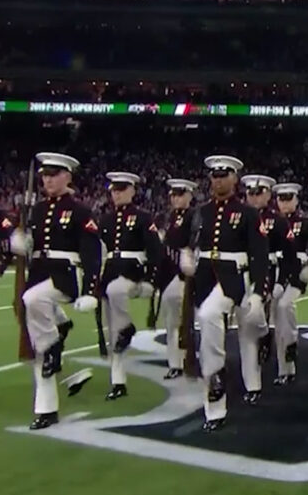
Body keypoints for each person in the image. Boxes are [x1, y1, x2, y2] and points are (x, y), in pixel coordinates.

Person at [10, 152, 102, 430]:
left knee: (32, 300)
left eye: (53, 175)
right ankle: (46, 410)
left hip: (65, 275)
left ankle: (54, 340)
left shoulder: (79, 210)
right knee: (39, 353)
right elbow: (31, 245)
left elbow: (91, 252)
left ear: (67, 177)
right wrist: (21, 242)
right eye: (45, 176)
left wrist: (90, 290)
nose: (48, 180)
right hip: (38, 271)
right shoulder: (35, 210)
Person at [178, 155, 269, 432]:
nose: (218, 180)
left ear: (235, 179)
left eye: (224, 175)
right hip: (206, 277)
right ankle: (215, 399)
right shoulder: (200, 212)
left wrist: (258, 290)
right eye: (214, 176)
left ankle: (257, 350)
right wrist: (186, 254)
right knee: (207, 321)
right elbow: (184, 239)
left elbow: (260, 254)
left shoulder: (248, 213)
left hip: (235, 276)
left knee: (249, 330)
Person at [99, 172, 163, 400]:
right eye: (114, 190)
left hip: (134, 269)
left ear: (132, 190)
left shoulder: (143, 217)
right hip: (111, 270)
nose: (117, 194)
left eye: (121, 189)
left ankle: (128, 327)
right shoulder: (106, 219)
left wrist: (151, 280)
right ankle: (118, 381)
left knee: (115, 293)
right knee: (112, 331)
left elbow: (155, 250)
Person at [242, 173, 295, 397]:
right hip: (245, 272)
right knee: (250, 323)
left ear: (267, 194)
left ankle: (286, 368)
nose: (254, 198)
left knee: (282, 318)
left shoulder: (278, 220)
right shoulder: (240, 216)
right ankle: (252, 380)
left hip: (273, 271)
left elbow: (290, 255)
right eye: (250, 193)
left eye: (259, 193)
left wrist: (282, 281)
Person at [271, 182, 308, 386]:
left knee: (285, 305)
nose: (284, 203)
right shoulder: (270, 222)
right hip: (274, 270)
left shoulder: (306, 222)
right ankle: (285, 369)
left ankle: (292, 341)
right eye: (281, 199)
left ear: (296, 200)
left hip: (296, 272)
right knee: (276, 320)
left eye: (288, 199)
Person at [156, 178, 197, 380]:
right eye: (173, 195)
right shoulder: (170, 216)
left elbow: (194, 242)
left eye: (180, 194)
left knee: (186, 319)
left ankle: (186, 359)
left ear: (189, 195)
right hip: (169, 271)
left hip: (185, 271)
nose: (176, 198)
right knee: (171, 320)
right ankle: (175, 362)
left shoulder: (194, 216)